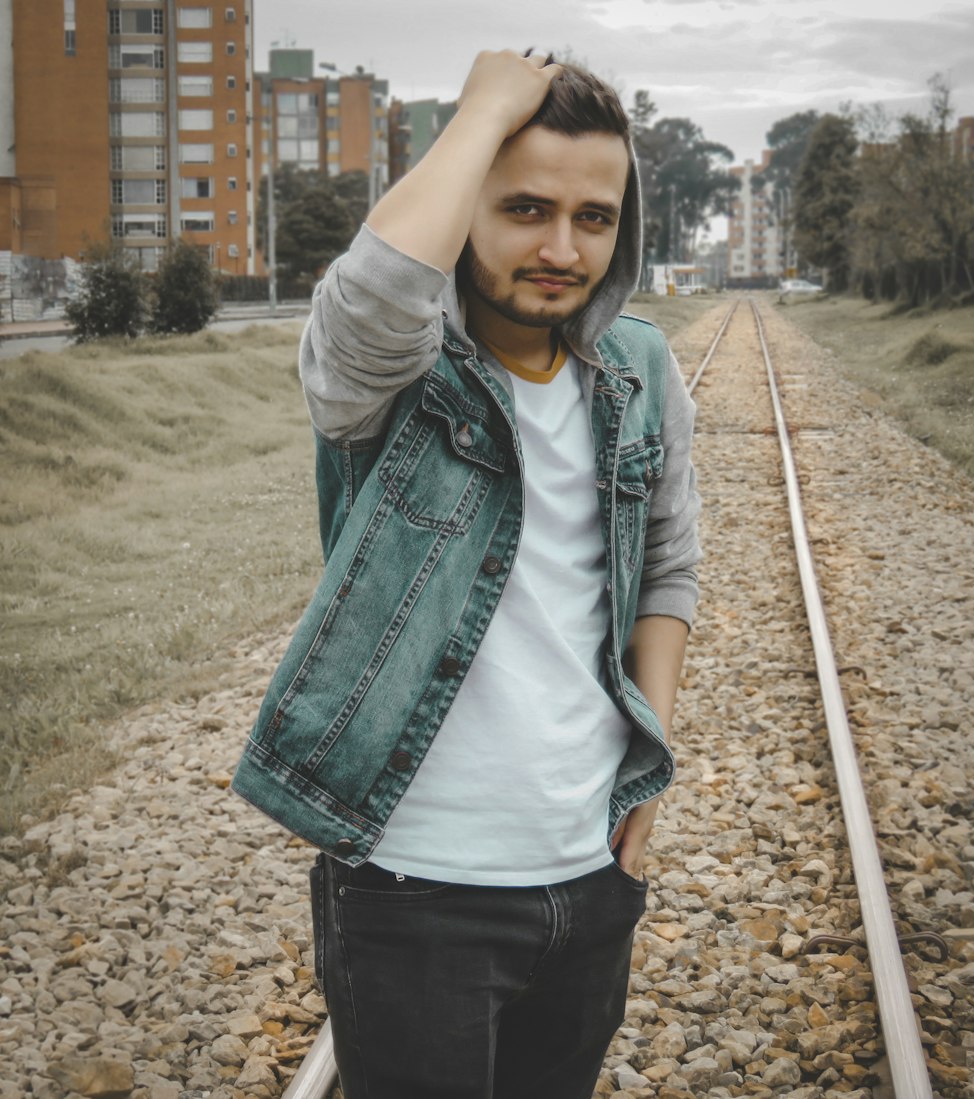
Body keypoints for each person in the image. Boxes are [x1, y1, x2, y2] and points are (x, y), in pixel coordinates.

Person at [232, 49, 701, 1099]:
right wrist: (484, 106)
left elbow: (667, 569)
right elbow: (372, 299)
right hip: (415, 887)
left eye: (593, 216)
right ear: (465, 204)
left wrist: (649, 774)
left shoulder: (641, 370)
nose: (559, 246)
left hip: (589, 877)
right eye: (524, 206)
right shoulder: (393, 379)